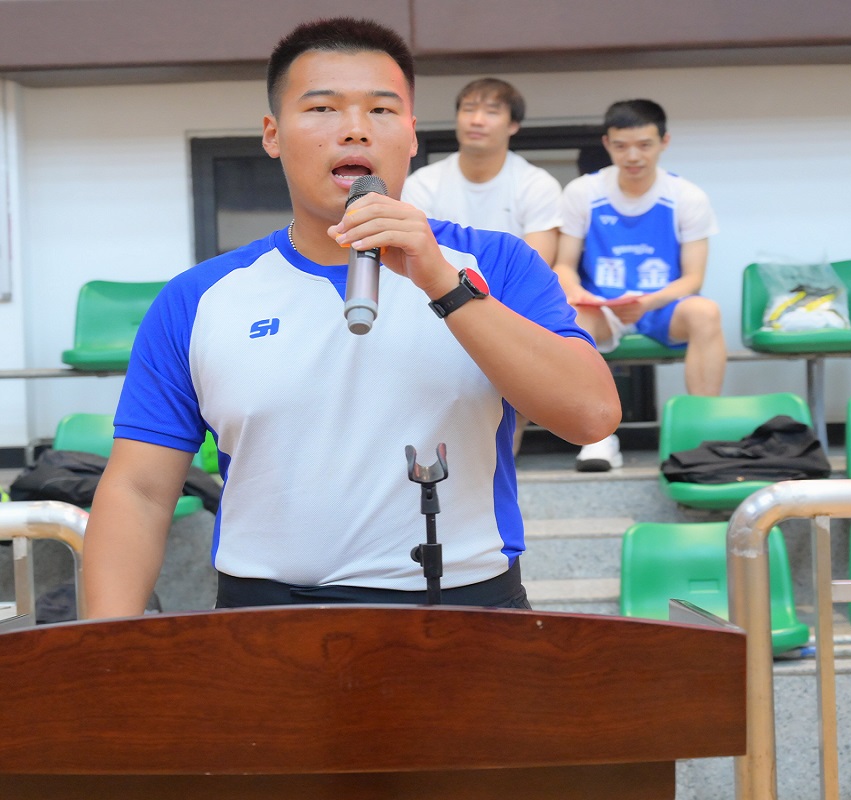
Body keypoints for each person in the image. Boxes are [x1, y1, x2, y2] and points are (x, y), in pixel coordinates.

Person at [81, 17, 621, 617]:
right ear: (272, 134)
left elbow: (591, 416)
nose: (356, 129)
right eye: (322, 108)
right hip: (264, 621)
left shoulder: (495, 264)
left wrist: (442, 283)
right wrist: (105, 655)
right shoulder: (199, 297)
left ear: (411, 135)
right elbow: (139, 491)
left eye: (382, 110)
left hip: (465, 613)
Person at [554, 99, 725, 472]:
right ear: (607, 143)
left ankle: (704, 435)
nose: (633, 156)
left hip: (661, 305)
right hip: (602, 306)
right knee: (572, 319)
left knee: (706, 312)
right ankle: (597, 438)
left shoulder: (687, 196)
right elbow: (563, 265)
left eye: (644, 145)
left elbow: (693, 279)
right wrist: (577, 294)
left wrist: (647, 302)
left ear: (664, 142)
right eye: (621, 146)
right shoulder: (583, 192)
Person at [402, 77, 563, 452]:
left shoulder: (536, 184)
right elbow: (414, 263)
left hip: (510, 304)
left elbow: (536, 267)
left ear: (513, 125)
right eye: (468, 109)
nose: (476, 120)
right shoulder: (424, 183)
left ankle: (506, 448)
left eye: (491, 112)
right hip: (437, 301)